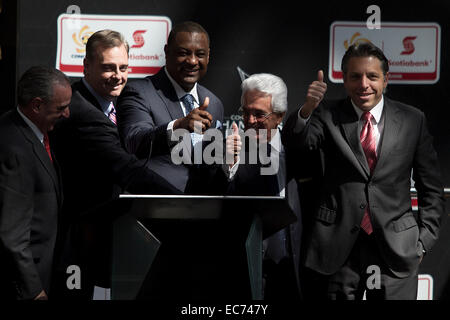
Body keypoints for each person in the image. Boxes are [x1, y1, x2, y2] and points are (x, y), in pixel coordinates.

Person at [282, 42, 444, 300]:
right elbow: (297, 142)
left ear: (386, 79)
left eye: (372, 76)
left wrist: (423, 240)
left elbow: (432, 189)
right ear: (344, 80)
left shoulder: (413, 120)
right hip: (338, 251)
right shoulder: (327, 115)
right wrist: (307, 109)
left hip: (396, 250)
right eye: (355, 76)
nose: (363, 84)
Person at [50, 29, 178, 300]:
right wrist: (182, 202)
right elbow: (126, 168)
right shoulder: (81, 112)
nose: (118, 75)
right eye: (108, 68)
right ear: (86, 67)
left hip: (112, 239)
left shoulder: (117, 105)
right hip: (78, 242)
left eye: (123, 67)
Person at [116, 21, 224, 194]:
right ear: (167, 52)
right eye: (183, 53)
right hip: (155, 209)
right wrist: (179, 126)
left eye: (200, 54)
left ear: (208, 56)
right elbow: (134, 142)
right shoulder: (139, 92)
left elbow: (211, 165)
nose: (192, 61)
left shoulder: (214, 103)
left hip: (203, 211)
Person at [225, 73, 302, 301]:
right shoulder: (229, 149)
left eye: (258, 114)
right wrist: (229, 163)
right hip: (246, 269)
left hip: (292, 269)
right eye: (245, 112)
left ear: (279, 116)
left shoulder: (298, 152)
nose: (249, 121)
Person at [0, 66, 71, 300]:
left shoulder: (35, 132)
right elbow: (13, 235)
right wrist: (33, 290)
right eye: (61, 108)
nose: (67, 114)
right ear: (37, 105)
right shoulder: (14, 148)